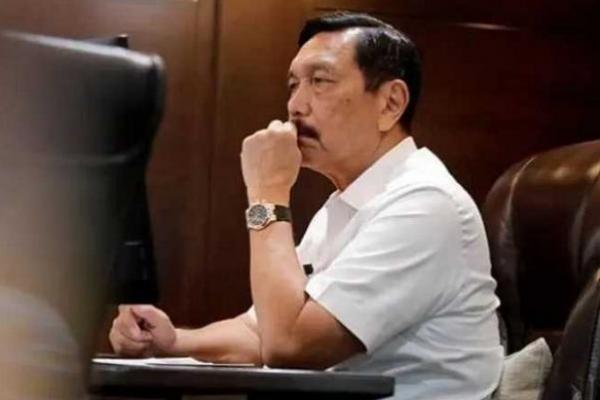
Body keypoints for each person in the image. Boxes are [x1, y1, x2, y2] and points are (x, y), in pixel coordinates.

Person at [110, 12, 503, 399]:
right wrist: (173, 341)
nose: (296, 106)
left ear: (390, 103)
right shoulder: (343, 207)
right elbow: (260, 331)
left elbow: (290, 346)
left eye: (320, 81)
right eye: (293, 85)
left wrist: (267, 192)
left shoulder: (425, 204)